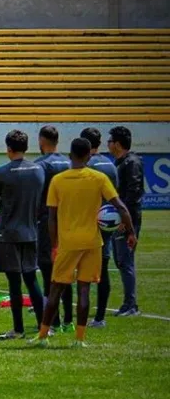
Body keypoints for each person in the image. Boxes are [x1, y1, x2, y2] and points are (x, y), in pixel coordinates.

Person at [29, 138, 137, 347]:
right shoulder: (98, 178)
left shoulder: (58, 180)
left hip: (68, 242)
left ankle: (42, 336)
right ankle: (79, 339)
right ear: (89, 156)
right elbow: (121, 207)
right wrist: (131, 232)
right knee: (84, 289)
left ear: (70, 156)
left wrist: (54, 244)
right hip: (92, 242)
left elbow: (52, 217)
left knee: (55, 289)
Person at [0, 130, 46, 339]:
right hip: (31, 230)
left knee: (14, 283)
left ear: (8, 149)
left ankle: (18, 329)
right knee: (32, 279)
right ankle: (42, 326)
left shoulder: (2, 172)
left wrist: (7, 203)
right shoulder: (38, 170)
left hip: (9, 232)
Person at [79, 127, 119, 328]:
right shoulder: (110, 164)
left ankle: (80, 317)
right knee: (103, 269)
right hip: (107, 223)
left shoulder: (89, 165)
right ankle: (100, 317)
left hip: (88, 224)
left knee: (82, 272)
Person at [35, 125, 73, 332]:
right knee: (66, 272)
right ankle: (68, 319)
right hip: (68, 222)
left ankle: (52, 320)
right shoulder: (69, 163)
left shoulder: (41, 165)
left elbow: (37, 194)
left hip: (47, 223)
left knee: (49, 271)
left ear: (41, 141)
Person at [107, 126, 144, 317]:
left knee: (126, 260)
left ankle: (131, 305)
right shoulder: (121, 162)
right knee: (121, 260)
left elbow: (133, 194)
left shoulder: (131, 163)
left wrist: (126, 220)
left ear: (118, 144)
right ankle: (128, 303)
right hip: (119, 219)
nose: (108, 144)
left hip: (126, 221)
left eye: (110, 140)